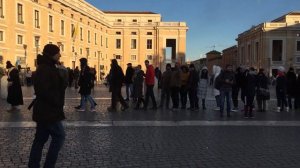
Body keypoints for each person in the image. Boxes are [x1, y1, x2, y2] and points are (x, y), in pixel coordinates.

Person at [28, 44, 66, 168]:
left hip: (44, 110)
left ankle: (33, 165)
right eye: (57, 53)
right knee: (59, 136)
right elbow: (44, 91)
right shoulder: (45, 69)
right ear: (51, 54)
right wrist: (57, 102)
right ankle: (48, 165)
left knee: (40, 140)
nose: (60, 55)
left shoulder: (48, 67)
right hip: (49, 111)